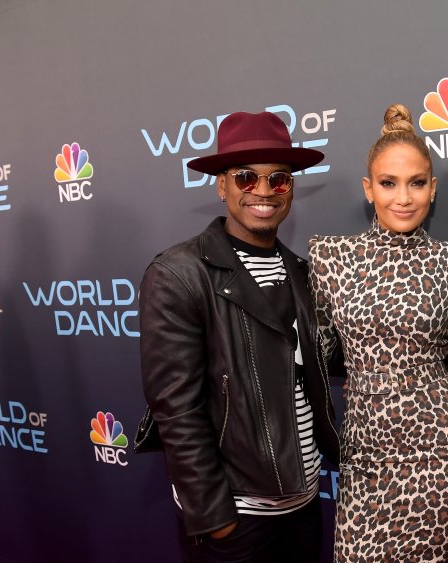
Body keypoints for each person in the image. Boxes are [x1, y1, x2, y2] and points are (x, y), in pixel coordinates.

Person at [139, 111, 341, 562]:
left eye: (280, 180)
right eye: (246, 178)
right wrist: (216, 518)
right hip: (236, 520)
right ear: (222, 186)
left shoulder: (302, 274)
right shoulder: (179, 274)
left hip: (304, 504)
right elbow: (176, 408)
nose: (264, 192)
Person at [308, 103, 448, 562]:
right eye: (388, 183)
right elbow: (318, 347)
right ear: (368, 189)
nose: (403, 197)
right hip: (363, 451)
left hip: (441, 452)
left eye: (416, 183)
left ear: (433, 189)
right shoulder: (330, 258)